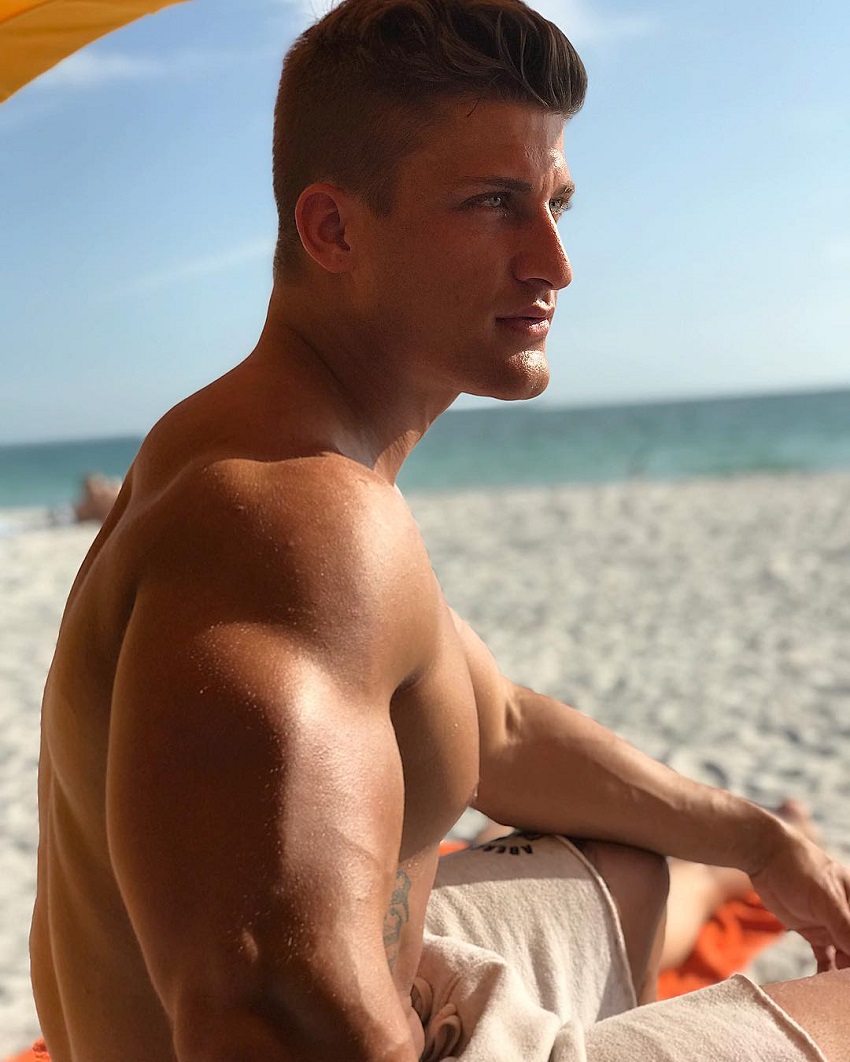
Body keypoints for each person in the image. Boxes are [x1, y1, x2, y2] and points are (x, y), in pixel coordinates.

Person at [29, 1, 850, 1060]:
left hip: (398, 981)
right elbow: (267, 1015)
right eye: (495, 204)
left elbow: (492, 726)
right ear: (332, 230)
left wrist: (754, 836)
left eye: (554, 200)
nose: (554, 263)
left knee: (636, 857)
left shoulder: (265, 444)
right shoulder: (296, 522)